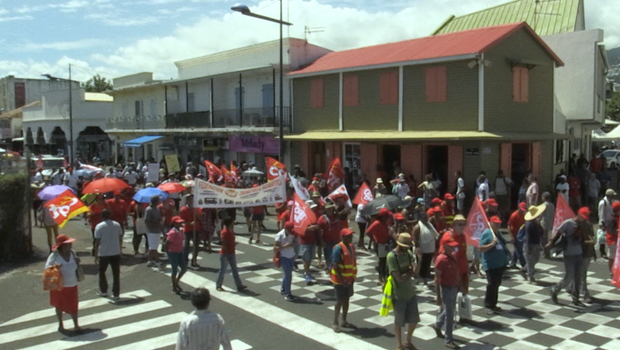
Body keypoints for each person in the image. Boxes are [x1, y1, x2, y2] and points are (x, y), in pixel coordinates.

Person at [546, 207, 589, 307]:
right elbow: (558, 233)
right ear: (578, 215)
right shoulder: (568, 223)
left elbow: (584, 238)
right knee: (569, 277)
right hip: (569, 254)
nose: (583, 219)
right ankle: (555, 290)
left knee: (579, 277)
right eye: (583, 217)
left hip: (579, 253)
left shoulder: (583, 225)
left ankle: (576, 299)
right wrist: (551, 243)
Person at [387, 233, 420, 350]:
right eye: (405, 246)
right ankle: (399, 344)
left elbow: (415, 273)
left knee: (414, 319)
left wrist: (418, 259)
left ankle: (408, 341)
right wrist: (410, 273)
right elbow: (399, 278)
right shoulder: (391, 257)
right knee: (399, 321)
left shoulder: (408, 253)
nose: (407, 248)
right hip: (399, 294)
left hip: (410, 292)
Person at [45, 234, 81, 333]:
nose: (70, 246)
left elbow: (76, 264)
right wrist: (55, 266)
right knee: (59, 305)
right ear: (61, 246)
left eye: (70, 244)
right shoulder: (55, 255)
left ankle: (76, 325)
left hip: (72, 284)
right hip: (59, 286)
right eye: (67, 244)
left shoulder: (73, 253)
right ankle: (61, 324)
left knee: (74, 305)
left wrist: (78, 262)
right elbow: (47, 268)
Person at [432, 240, 461, 349]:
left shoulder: (453, 256)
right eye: (451, 246)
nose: (454, 248)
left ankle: (438, 325)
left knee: (450, 309)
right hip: (446, 288)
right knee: (450, 313)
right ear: (445, 246)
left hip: (453, 286)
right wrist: (438, 296)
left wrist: (459, 284)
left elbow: (456, 271)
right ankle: (448, 339)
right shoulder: (441, 259)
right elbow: (436, 279)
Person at [479, 216, 509, 314]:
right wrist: (492, 244)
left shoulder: (498, 233)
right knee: (492, 284)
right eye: (495, 223)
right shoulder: (487, 233)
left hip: (499, 264)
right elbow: (481, 248)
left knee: (496, 284)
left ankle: (493, 304)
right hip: (491, 264)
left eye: (499, 223)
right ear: (491, 223)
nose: (498, 225)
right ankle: (488, 305)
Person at [331, 228, 358, 333]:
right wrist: (342, 279)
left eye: (351, 236)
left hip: (349, 279)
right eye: (348, 236)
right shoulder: (338, 248)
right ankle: (335, 322)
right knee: (339, 301)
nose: (350, 238)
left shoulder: (351, 247)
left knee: (346, 300)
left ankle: (344, 320)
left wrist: (352, 278)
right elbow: (336, 265)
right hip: (340, 280)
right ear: (342, 237)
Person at [94, 209, 123, 300]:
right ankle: (116, 292)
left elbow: (97, 242)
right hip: (115, 251)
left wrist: (95, 254)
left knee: (102, 271)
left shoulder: (99, 226)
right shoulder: (117, 224)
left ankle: (103, 290)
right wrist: (120, 248)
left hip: (104, 252)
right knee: (116, 272)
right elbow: (120, 237)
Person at [216, 217, 247, 292]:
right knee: (223, 270)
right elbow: (224, 244)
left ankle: (239, 285)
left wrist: (234, 244)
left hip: (232, 252)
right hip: (225, 254)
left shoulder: (230, 230)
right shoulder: (224, 232)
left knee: (235, 270)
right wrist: (227, 254)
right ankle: (218, 285)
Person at [366, 208, 393, 285]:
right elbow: (368, 232)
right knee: (382, 262)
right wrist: (374, 238)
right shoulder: (376, 223)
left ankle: (384, 276)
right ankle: (381, 278)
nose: (387, 218)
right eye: (386, 217)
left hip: (386, 244)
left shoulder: (386, 223)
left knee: (386, 261)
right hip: (379, 245)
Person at [413, 209, 438, 285]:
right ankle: (421, 277)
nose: (427, 219)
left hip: (430, 248)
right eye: (425, 218)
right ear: (421, 218)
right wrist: (418, 248)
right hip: (423, 248)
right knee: (422, 263)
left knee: (428, 262)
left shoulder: (429, 224)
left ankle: (426, 273)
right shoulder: (417, 227)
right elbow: (415, 238)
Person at [164, 215, 188, 294]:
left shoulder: (181, 231)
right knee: (174, 270)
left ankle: (176, 282)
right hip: (173, 253)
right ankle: (174, 286)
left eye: (181, 223)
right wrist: (167, 252)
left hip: (180, 251)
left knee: (184, 268)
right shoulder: (172, 233)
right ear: (174, 224)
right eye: (178, 223)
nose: (181, 224)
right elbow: (167, 243)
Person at [522, 204, 545, 282]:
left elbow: (541, 232)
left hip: (536, 243)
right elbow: (527, 236)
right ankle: (530, 276)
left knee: (536, 259)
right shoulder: (529, 224)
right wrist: (528, 247)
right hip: (530, 244)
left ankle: (524, 269)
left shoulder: (536, 222)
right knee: (530, 261)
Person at [275, 221, 297, 302]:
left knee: (287, 274)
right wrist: (285, 246)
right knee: (289, 275)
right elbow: (275, 248)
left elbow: (294, 242)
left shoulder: (292, 233)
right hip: (284, 257)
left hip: (291, 255)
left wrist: (292, 244)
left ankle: (283, 288)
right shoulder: (280, 235)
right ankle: (288, 294)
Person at [318, 202, 342, 272]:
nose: (329, 210)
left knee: (336, 254)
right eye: (328, 209)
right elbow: (319, 230)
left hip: (336, 239)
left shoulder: (336, 216)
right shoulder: (322, 218)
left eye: (330, 208)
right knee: (328, 255)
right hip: (327, 240)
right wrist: (321, 241)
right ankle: (329, 268)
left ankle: (333, 268)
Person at [300, 201, 320, 284]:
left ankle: (307, 271)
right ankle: (306, 273)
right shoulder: (302, 217)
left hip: (313, 240)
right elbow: (299, 228)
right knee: (306, 258)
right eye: (312, 207)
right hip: (304, 241)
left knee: (310, 258)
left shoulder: (314, 216)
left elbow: (318, 226)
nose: (314, 209)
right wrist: (309, 228)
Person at [180, 194, 201, 267]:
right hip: (187, 229)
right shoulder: (184, 209)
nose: (191, 201)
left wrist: (196, 212)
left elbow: (201, 218)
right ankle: (185, 261)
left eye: (192, 199)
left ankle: (194, 261)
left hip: (196, 229)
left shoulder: (197, 208)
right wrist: (189, 223)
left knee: (196, 245)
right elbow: (182, 221)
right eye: (189, 200)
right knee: (186, 246)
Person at [144, 195, 163, 268]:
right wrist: (155, 223)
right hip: (151, 230)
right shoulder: (149, 209)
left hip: (157, 230)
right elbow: (147, 221)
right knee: (153, 246)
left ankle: (150, 260)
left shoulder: (157, 208)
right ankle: (157, 260)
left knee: (154, 246)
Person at [508, 202, 527, 269]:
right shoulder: (514, 215)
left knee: (517, 249)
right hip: (515, 235)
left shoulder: (524, 215)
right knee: (519, 251)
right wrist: (512, 236)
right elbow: (509, 226)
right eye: (522, 209)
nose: (523, 211)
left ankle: (513, 263)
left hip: (521, 235)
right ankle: (524, 265)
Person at [540, 192, 556, 258]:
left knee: (544, 239)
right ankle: (547, 252)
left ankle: (546, 253)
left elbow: (540, 214)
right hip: (550, 223)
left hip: (543, 223)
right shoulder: (552, 205)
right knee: (548, 238)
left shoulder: (543, 205)